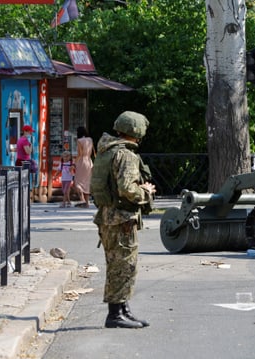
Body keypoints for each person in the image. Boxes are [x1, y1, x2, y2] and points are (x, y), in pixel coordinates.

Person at [92, 111, 156, 329]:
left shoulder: (106, 151)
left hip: (107, 217)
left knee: (117, 265)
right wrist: (146, 191)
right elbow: (127, 189)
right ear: (136, 131)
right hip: (122, 220)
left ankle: (122, 309)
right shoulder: (126, 155)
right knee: (123, 266)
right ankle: (115, 315)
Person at [73, 126, 94, 208]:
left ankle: (82, 200)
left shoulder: (79, 141)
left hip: (81, 161)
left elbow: (80, 154)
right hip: (89, 161)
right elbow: (91, 152)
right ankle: (87, 202)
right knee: (86, 182)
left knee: (78, 182)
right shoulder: (90, 139)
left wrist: (74, 163)